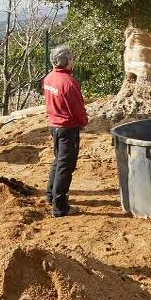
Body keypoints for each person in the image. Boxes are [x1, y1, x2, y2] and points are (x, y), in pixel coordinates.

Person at [41, 44, 88, 218]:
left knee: (58, 161)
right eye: (71, 58)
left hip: (54, 125)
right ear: (66, 61)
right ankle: (60, 206)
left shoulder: (49, 79)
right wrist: (83, 122)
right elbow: (77, 108)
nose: (72, 61)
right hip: (67, 128)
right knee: (65, 166)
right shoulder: (69, 83)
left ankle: (50, 195)